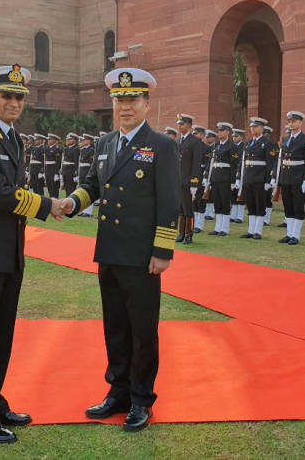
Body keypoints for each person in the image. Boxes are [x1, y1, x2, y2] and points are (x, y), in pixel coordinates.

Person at [60, 67, 180, 433]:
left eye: (132, 100)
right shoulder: (105, 143)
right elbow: (92, 185)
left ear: (146, 103)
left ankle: (142, 399)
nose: (125, 107)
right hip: (109, 251)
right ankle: (118, 391)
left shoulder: (161, 145)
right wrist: (72, 203)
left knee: (142, 329)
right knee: (115, 326)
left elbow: (169, 201)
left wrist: (163, 251)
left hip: (143, 255)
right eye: (119, 100)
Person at [0, 64, 66, 444]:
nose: (14, 102)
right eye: (6, 95)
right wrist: (48, 204)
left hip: (10, 250)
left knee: (1, 334)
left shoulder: (14, 138)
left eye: (19, 97)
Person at [273, 111, 305, 245]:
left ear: (300, 123)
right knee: (288, 206)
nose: (291, 124)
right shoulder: (286, 139)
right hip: (286, 177)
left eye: (294, 121)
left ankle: (295, 236)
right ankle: (289, 234)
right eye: (289, 121)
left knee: (297, 207)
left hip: (298, 178)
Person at [240, 117, 278, 240]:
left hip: (260, 178)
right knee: (251, 204)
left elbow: (271, 163)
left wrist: (269, 180)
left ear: (261, 128)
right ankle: (251, 231)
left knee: (259, 204)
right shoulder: (249, 142)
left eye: (255, 127)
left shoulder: (268, 143)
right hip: (249, 177)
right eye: (251, 126)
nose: (252, 129)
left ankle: (258, 231)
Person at [207, 122, 239, 236]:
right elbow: (211, 163)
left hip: (225, 178)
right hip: (215, 177)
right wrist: (209, 179)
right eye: (219, 131)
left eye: (222, 131)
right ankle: (217, 227)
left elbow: (234, 165)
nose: (219, 133)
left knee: (225, 203)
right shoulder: (216, 146)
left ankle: (224, 229)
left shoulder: (232, 146)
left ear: (228, 132)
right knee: (217, 203)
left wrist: (232, 181)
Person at [175, 113, 203, 244]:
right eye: (179, 124)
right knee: (180, 208)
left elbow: (196, 164)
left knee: (188, 209)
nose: (179, 126)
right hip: (178, 180)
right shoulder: (177, 141)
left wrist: (194, 183)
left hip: (188, 181)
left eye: (182, 124)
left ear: (189, 126)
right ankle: (181, 233)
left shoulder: (195, 142)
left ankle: (189, 234)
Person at [191, 124, 210, 233]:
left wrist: (205, 177)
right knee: (192, 201)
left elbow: (207, 164)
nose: (195, 135)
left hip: (201, 174)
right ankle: (193, 223)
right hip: (192, 175)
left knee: (200, 200)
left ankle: (199, 225)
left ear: (202, 135)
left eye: (197, 134)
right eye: (194, 133)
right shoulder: (190, 145)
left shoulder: (206, 148)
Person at [77, 133, 96, 217]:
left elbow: (91, 163)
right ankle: (83, 210)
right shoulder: (83, 150)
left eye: (84, 140)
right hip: (82, 171)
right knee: (82, 190)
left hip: (87, 171)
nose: (82, 141)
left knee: (88, 191)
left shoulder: (92, 150)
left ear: (88, 141)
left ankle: (88, 212)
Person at [230, 129, 246, 223]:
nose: (234, 138)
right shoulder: (231, 146)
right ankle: (233, 215)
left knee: (241, 195)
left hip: (241, 172)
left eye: (236, 136)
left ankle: (239, 216)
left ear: (241, 137)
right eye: (233, 136)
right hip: (232, 173)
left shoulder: (244, 147)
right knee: (233, 195)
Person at [203, 129, 218, 220]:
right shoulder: (207, 147)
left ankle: (211, 213)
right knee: (207, 193)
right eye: (206, 137)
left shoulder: (215, 147)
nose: (207, 139)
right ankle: (207, 212)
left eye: (209, 137)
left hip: (214, 172)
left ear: (213, 138)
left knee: (212, 194)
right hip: (207, 171)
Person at [44, 133, 62, 198]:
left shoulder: (57, 149)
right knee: (49, 188)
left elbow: (58, 162)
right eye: (48, 140)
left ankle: (55, 201)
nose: (48, 141)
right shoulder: (47, 148)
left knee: (54, 188)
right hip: (47, 170)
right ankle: (51, 201)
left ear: (54, 140)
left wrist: (56, 173)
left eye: (50, 139)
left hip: (53, 170)